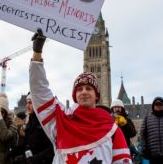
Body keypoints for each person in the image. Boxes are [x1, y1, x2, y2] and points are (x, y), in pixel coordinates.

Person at [29, 28, 132, 164]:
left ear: (97, 96)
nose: (83, 91)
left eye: (89, 88)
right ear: (75, 96)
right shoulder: (62, 121)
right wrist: (37, 54)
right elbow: (39, 92)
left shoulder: (112, 129)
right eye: (79, 89)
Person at [13, 93, 54, 164]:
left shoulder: (45, 121)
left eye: (30, 102)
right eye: (27, 103)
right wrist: (14, 152)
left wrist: (35, 159)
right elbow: (28, 143)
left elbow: (53, 148)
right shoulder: (31, 121)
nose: (27, 105)